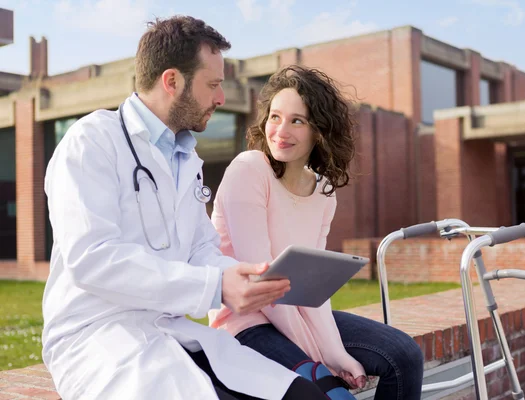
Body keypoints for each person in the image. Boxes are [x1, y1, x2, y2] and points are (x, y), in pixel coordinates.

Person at [41, 16, 333, 400]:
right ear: (172, 81)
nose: (221, 98)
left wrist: (244, 277)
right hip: (97, 335)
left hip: (169, 327)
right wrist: (214, 286)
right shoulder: (91, 142)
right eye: (213, 85)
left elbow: (199, 250)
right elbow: (93, 259)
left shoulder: (184, 157)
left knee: (305, 396)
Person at [208, 65, 425, 400]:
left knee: (404, 355)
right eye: (275, 117)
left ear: (319, 131)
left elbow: (311, 291)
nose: (280, 130)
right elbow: (261, 284)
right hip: (246, 322)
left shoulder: (324, 192)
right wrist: (318, 354)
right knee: (334, 395)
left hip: (296, 314)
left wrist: (334, 352)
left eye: (298, 120)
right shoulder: (249, 170)